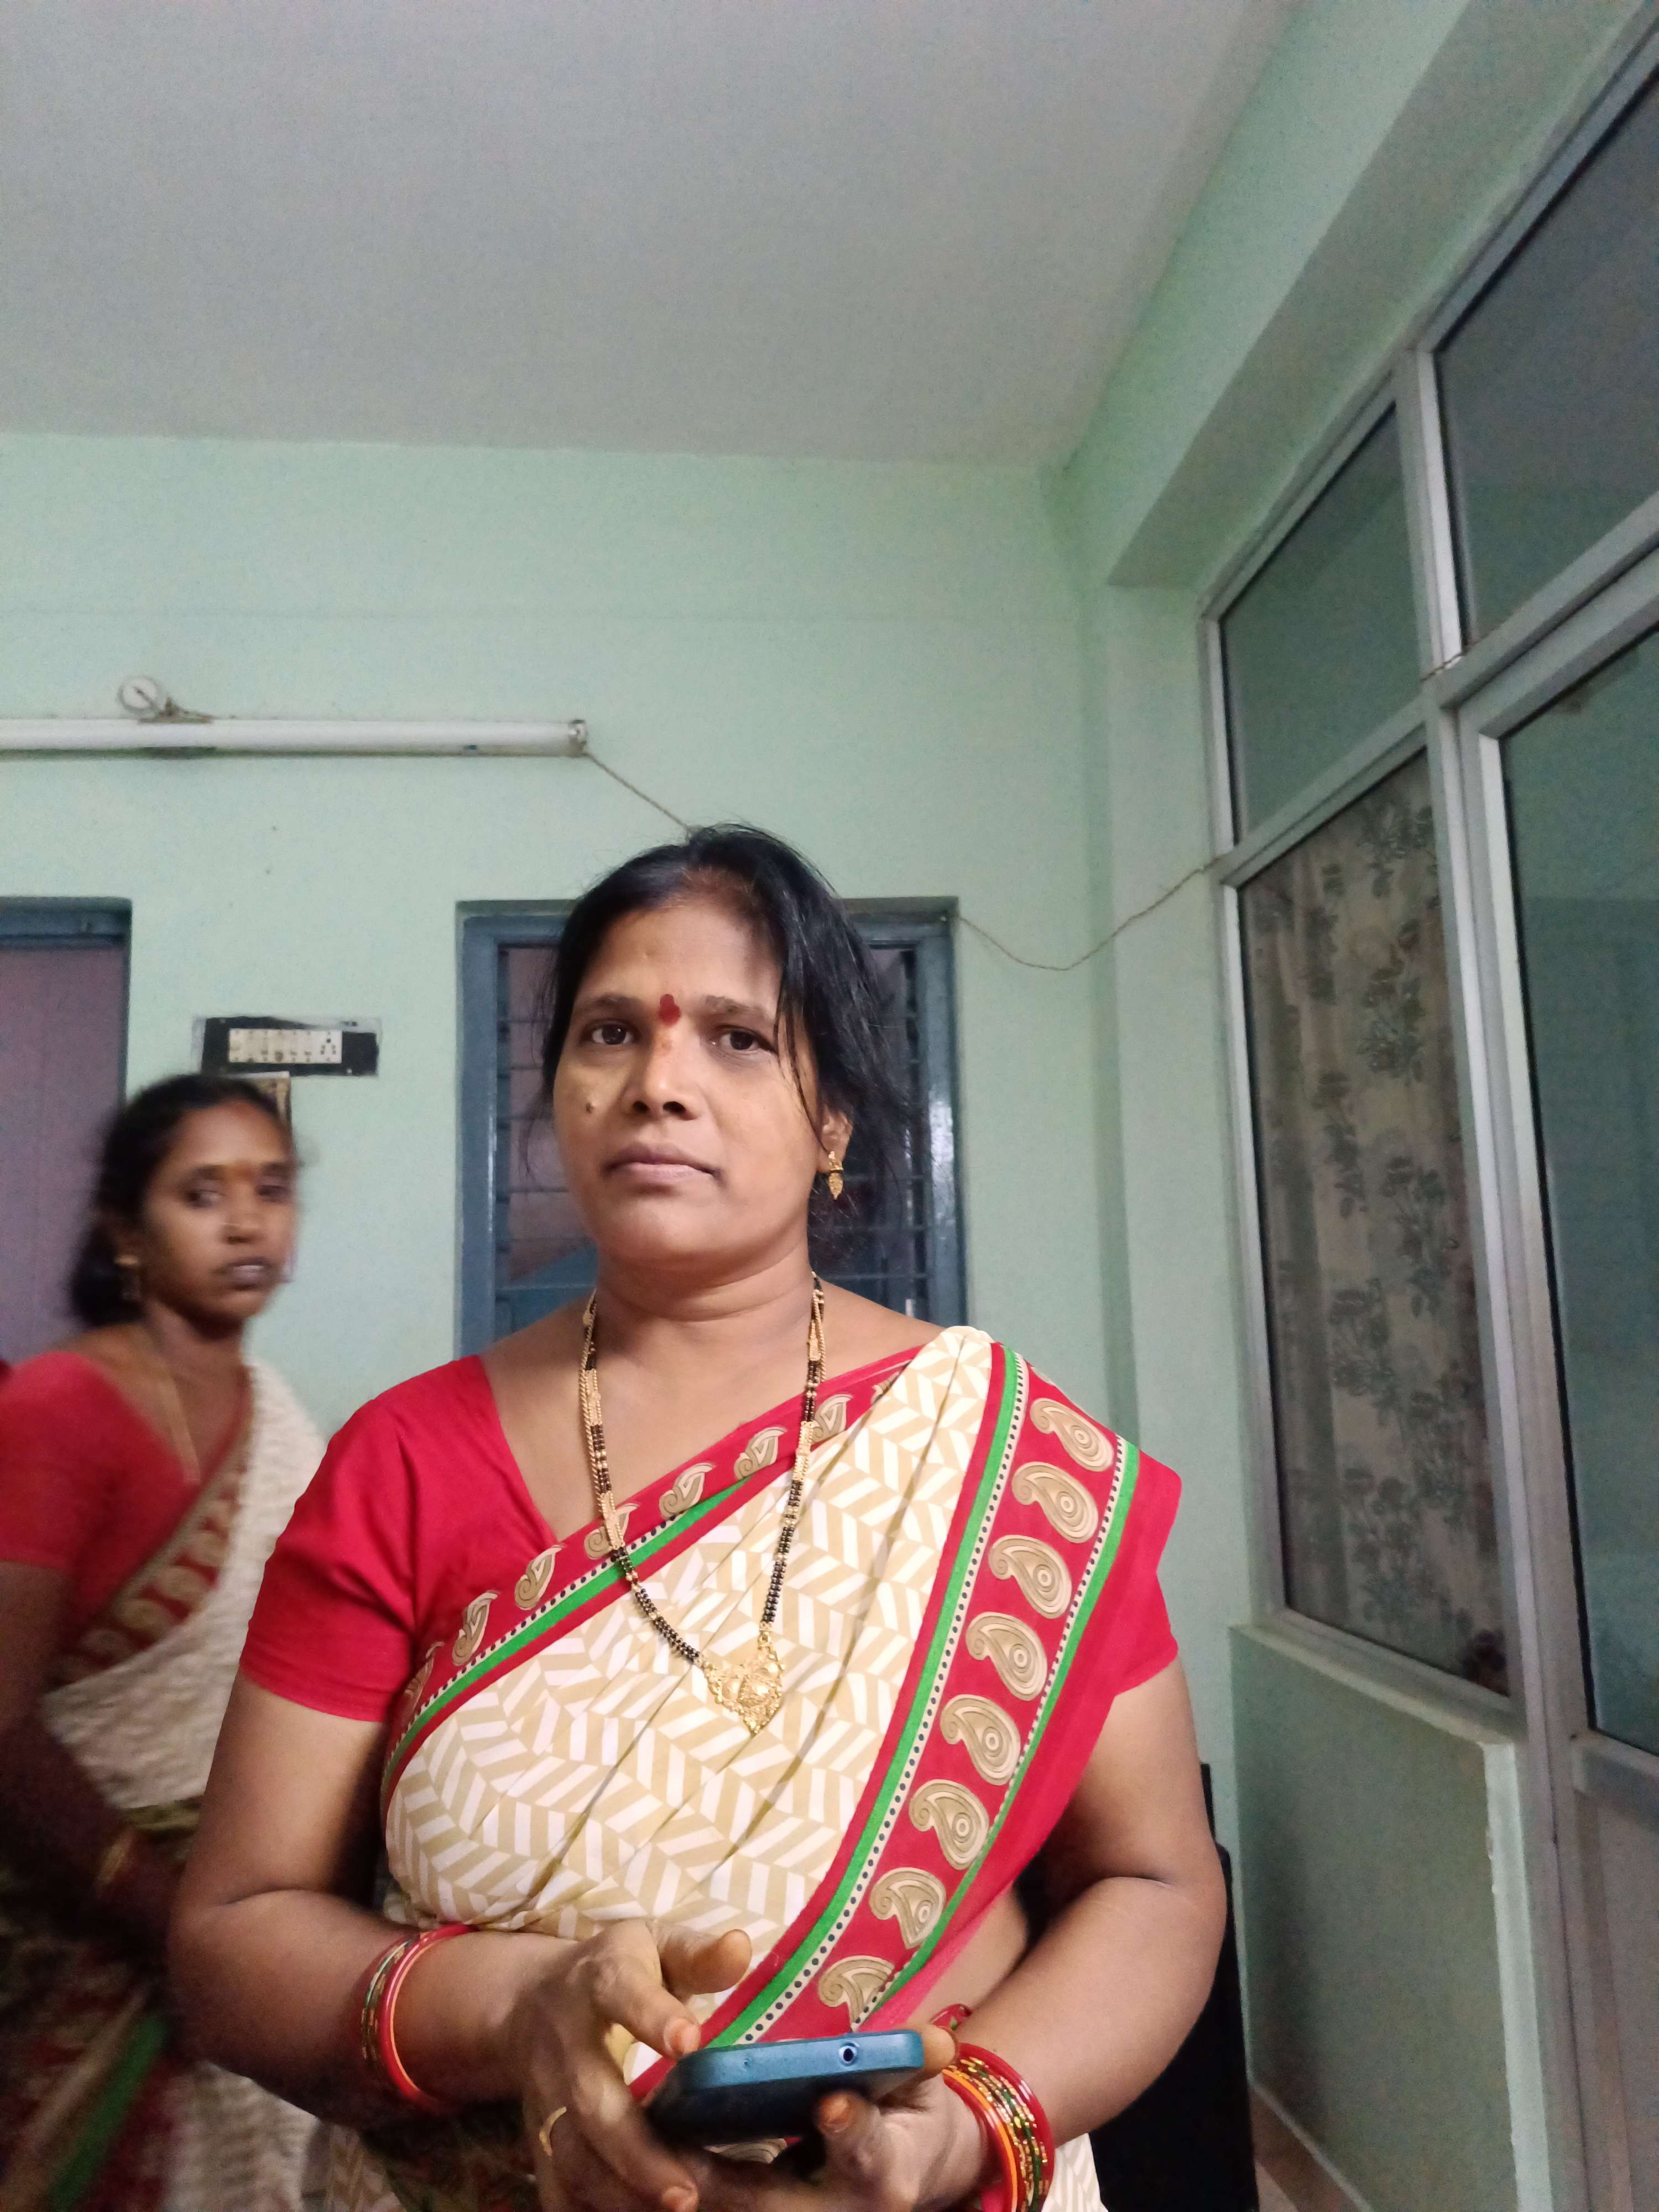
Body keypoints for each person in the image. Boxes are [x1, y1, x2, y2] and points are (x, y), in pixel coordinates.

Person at [173, 828, 1227, 2212]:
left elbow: (1155, 1877)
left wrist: (966, 2130)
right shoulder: (405, 1462)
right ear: (559, 1091)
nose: (658, 1081)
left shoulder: (1005, 1458)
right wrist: (517, 2005)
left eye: (737, 1037)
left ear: (834, 1121)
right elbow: (232, 1934)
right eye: (612, 1030)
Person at [0, 1073, 325, 2211]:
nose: (246, 1222)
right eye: (202, 1193)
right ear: (126, 1232)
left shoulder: (278, 1413)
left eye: (271, 1189)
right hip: (86, 1928)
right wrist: (174, 1923)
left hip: (251, 1909)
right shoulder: (56, 1406)